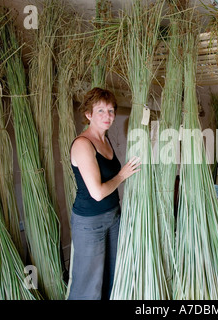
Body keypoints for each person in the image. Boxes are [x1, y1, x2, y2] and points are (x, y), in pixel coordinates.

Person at [66, 87, 140, 300]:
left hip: (112, 216)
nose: (107, 116)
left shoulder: (105, 140)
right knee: (88, 282)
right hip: (90, 221)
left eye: (110, 111)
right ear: (88, 114)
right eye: (100, 111)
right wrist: (123, 175)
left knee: (110, 276)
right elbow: (97, 193)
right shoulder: (83, 144)